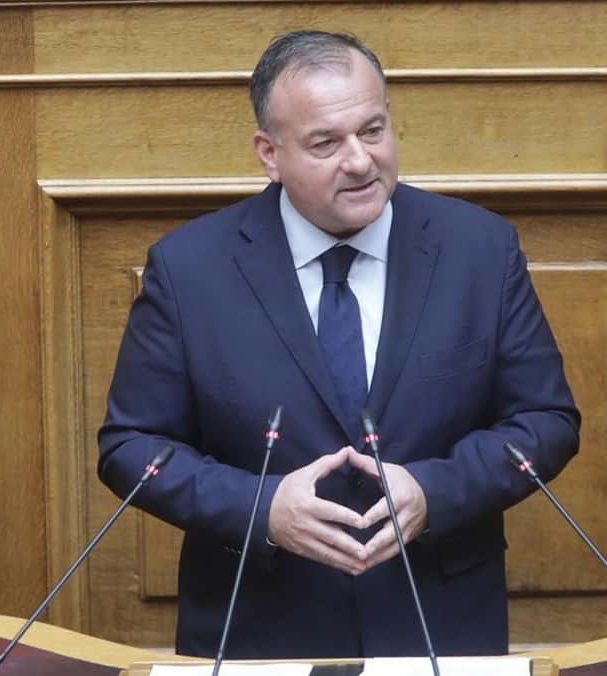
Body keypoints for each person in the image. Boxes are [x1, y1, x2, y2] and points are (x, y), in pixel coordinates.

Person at [98, 30, 580, 659]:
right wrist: (263, 509)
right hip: (258, 628)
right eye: (326, 143)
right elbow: (132, 446)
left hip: (439, 623)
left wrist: (434, 493)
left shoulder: (479, 250)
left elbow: (546, 421)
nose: (360, 161)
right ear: (269, 154)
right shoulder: (190, 269)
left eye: (373, 131)